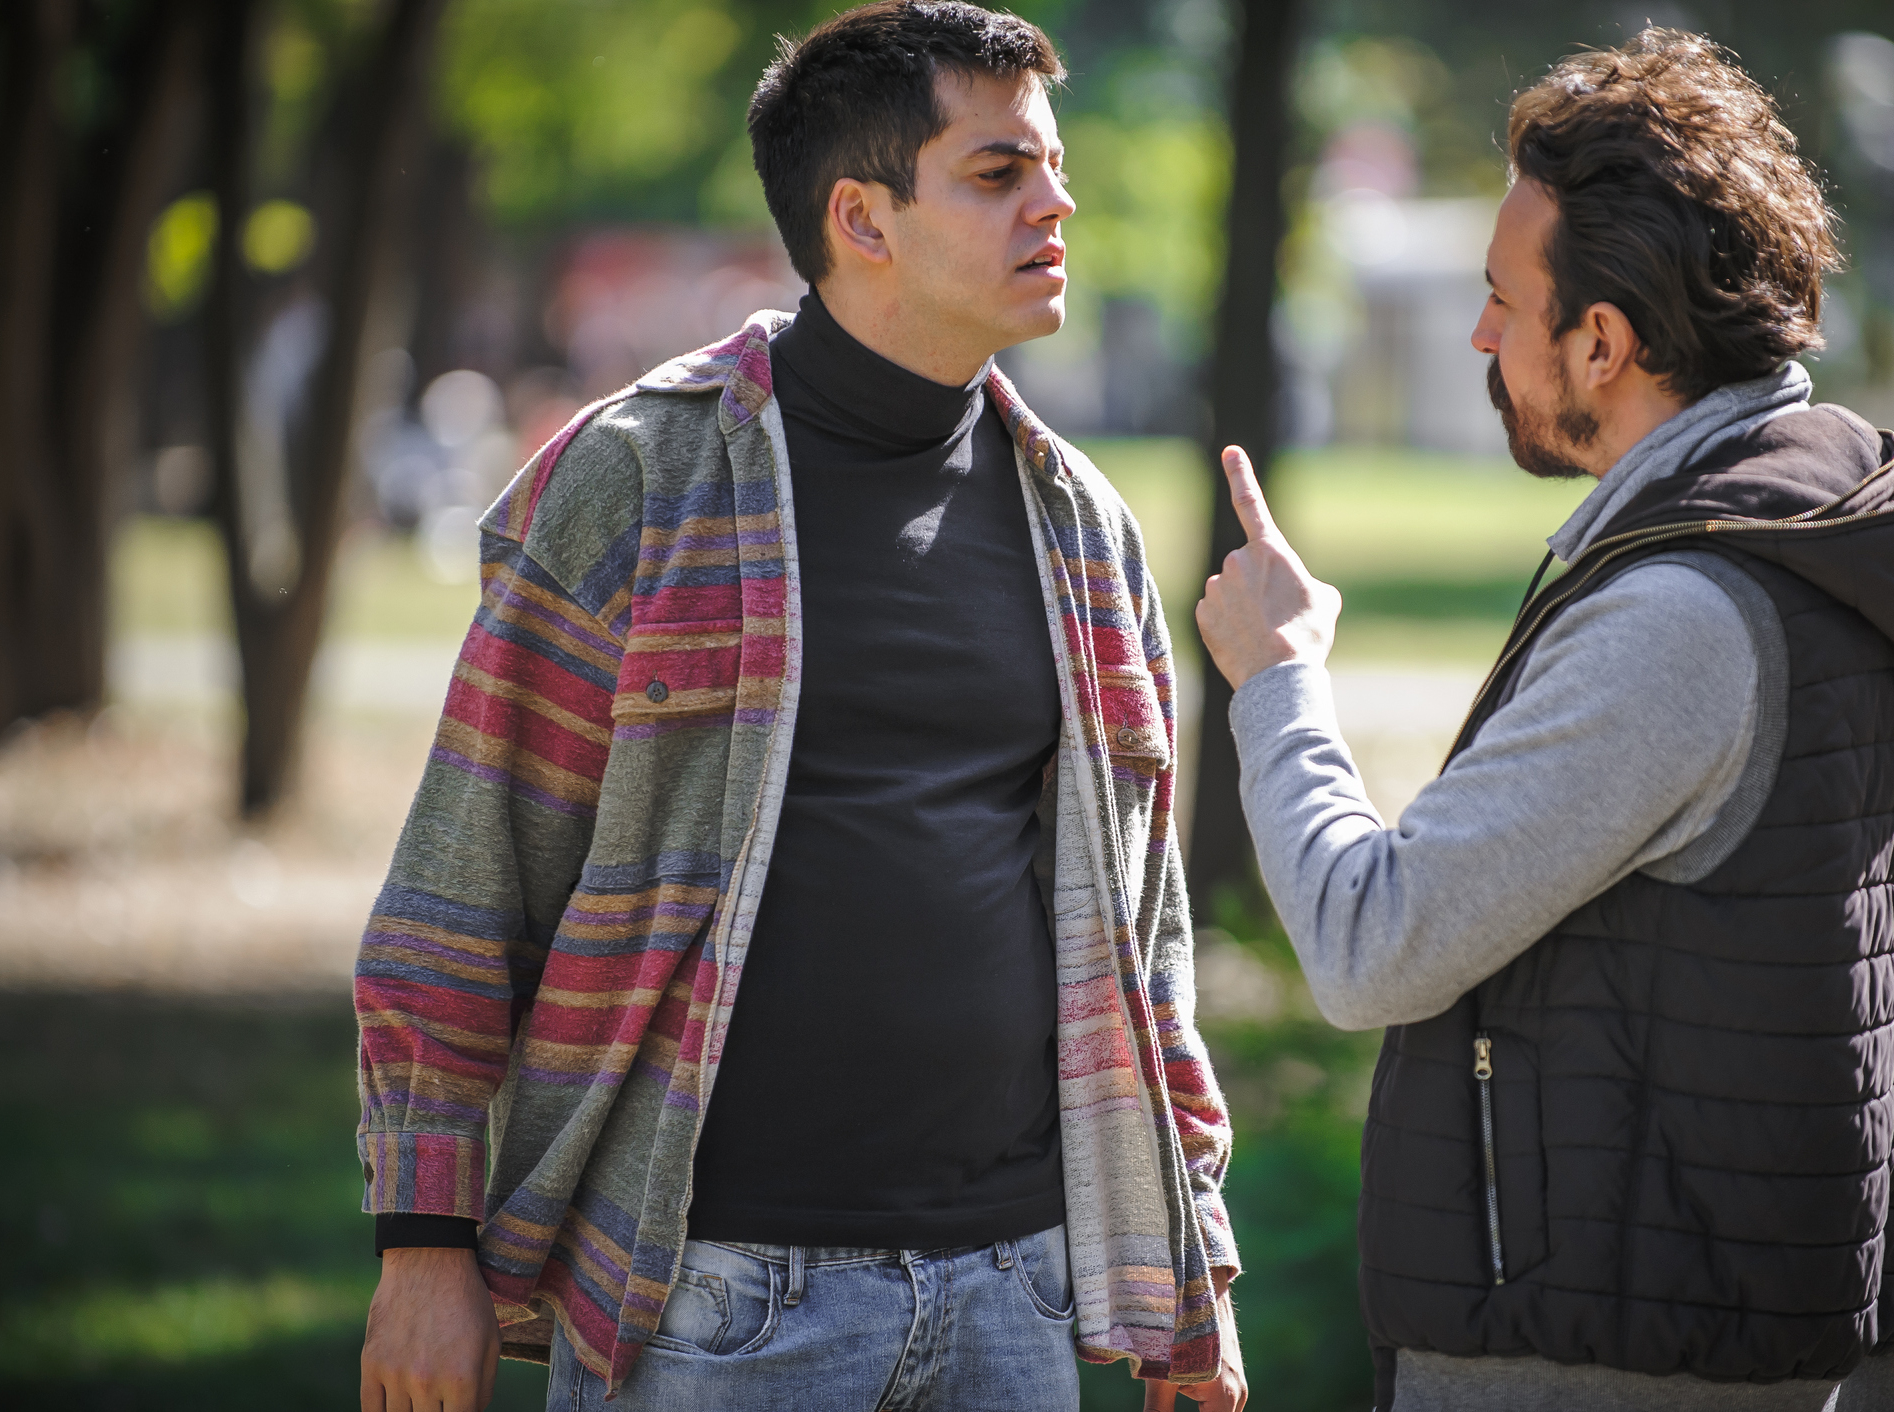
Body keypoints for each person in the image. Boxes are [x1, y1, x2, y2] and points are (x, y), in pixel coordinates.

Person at [354, 5, 1246, 1410]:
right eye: (998, 171)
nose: (1057, 201)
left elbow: (1143, 947)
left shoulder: (1084, 526)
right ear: (862, 218)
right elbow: (462, 886)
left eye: (1053, 166)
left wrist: (1190, 1269)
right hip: (711, 1298)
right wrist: (421, 1249)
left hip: (1017, 1286)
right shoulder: (638, 482)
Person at [1196, 27, 1894, 1412]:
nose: (1476, 333)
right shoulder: (1848, 530)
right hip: (1768, 1341)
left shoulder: (1685, 616)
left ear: (1602, 339)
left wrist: (1276, 676)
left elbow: (1366, 944)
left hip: (1604, 1363)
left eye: (1501, 301)